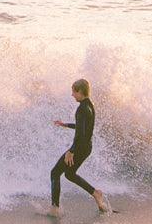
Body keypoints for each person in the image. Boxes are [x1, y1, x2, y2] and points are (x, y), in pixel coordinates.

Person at [47, 78, 111, 215]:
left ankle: (55, 208)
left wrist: (71, 151)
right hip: (86, 147)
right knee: (69, 174)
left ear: (80, 91)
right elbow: (83, 128)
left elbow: (80, 134)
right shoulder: (89, 105)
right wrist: (66, 125)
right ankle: (96, 193)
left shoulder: (81, 109)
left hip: (80, 148)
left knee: (55, 173)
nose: (72, 95)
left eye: (74, 92)